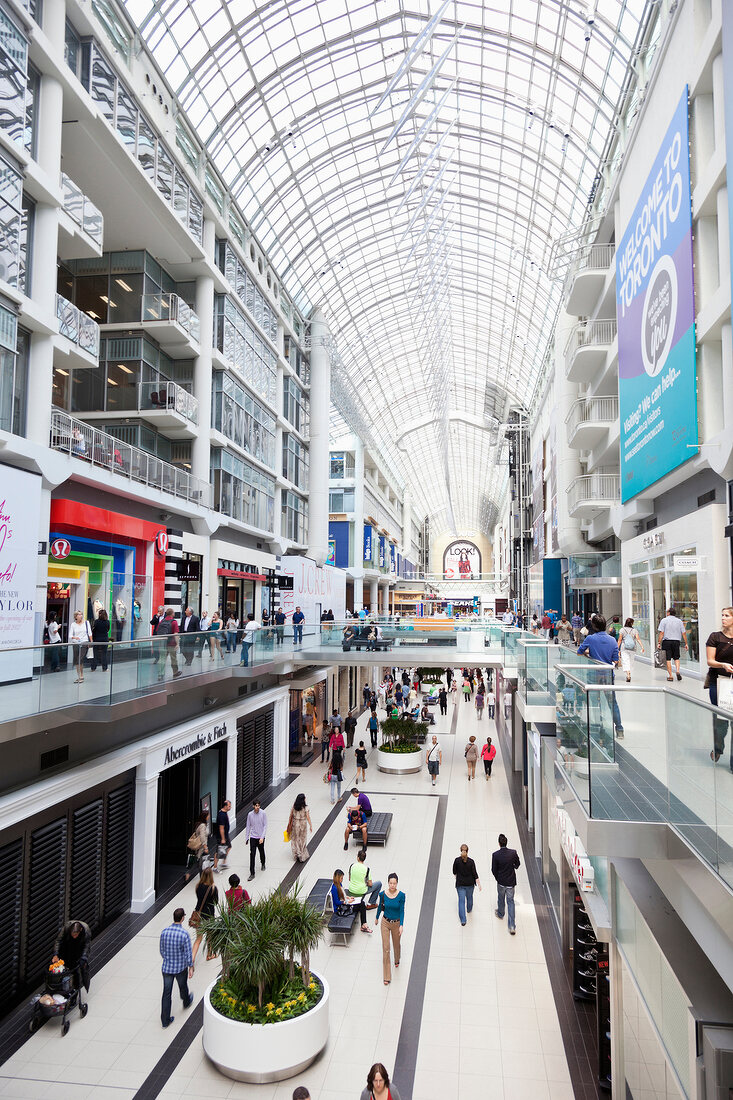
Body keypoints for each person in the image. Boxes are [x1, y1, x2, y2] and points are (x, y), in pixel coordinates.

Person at [577, 614, 624, 739]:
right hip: (608, 675)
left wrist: (589, 654)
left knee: (594, 703)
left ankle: (597, 728)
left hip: (594, 674)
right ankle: (619, 729)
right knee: (612, 703)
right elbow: (615, 659)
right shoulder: (612, 640)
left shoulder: (590, 639)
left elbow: (579, 652)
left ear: (594, 626)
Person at [706, 607, 733, 767]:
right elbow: (710, 660)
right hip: (719, 683)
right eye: (722, 615)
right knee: (721, 721)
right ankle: (718, 747)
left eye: (727, 615)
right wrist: (722, 664)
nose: (723, 618)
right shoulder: (715, 637)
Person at [159, 907, 194, 1027]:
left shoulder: (164, 932)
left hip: (167, 968)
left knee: (166, 993)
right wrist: (190, 966)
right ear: (183, 918)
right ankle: (186, 1001)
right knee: (183, 986)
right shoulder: (184, 934)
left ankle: (165, 1020)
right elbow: (188, 953)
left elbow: (162, 951)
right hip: (180, 968)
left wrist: (168, 959)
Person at [375, 874, 405, 985]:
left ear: (397, 883)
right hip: (385, 922)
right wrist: (377, 917)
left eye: (394, 883)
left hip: (396, 923)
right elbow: (380, 907)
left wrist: (401, 925)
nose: (392, 885)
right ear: (388, 883)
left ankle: (397, 959)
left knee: (396, 945)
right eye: (390, 883)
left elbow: (402, 910)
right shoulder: (382, 894)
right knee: (386, 948)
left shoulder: (401, 895)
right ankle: (387, 976)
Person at [492, 833, 520, 935]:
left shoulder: (496, 855)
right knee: (511, 902)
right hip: (510, 882)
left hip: (501, 882)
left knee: (501, 898)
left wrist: (497, 878)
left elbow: (493, 869)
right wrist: (514, 866)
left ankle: (500, 913)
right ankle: (512, 926)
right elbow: (517, 864)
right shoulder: (513, 853)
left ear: (499, 843)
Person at [52, 920, 91, 993]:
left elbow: (87, 945)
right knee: (64, 966)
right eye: (73, 935)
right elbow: (58, 940)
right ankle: (63, 987)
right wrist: (56, 954)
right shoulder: (66, 927)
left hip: (79, 948)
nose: (74, 936)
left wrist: (84, 957)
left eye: (76, 935)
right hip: (67, 946)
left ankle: (76, 989)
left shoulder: (86, 930)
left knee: (78, 969)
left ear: (80, 930)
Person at [330, 869, 371, 934]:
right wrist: (347, 902)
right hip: (341, 909)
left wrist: (348, 898)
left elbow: (342, 895)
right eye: (341, 878)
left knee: (362, 903)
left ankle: (364, 924)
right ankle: (364, 925)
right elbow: (337, 902)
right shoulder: (334, 888)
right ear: (337, 878)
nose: (342, 880)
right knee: (361, 905)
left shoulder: (339, 884)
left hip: (344, 904)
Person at [191, 866, 218, 963]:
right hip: (209, 915)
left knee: (198, 939)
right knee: (209, 937)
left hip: (199, 915)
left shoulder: (198, 886)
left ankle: (192, 958)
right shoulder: (213, 888)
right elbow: (216, 902)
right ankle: (209, 954)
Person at [452, 844, 481, 926]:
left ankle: (463, 920)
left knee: (461, 901)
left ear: (460, 850)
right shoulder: (471, 861)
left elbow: (454, 871)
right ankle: (469, 909)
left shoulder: (457, 860)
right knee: (469, 897)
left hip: (460, 884)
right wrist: (479, 884)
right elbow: (475, 873)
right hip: (470, 884)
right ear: (468, 851)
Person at [657, 607, 688, 682]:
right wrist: (686, 643)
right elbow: (683, 633)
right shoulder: (679, 621)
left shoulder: (664, 620)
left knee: (668, 659)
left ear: (668, 613)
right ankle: (677, 671)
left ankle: (670, 676)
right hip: (676, 641)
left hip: (667, 642)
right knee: (676, 658)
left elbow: (661, 633)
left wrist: (658, 642)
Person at [287, 792, 312, 862]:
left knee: (295, 839)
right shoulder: (306, 808)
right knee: (302, 839)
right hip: (302, 825)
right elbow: (308, 817)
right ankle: (301, 855)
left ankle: (295, 855)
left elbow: (290, 816)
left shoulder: (294, 807)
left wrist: (289, 824)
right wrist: (310, 825)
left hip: (295, 824)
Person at [185, 810, 210, 882]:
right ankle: (202, 879)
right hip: (201, 847)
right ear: (205, 816)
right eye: (208, 815)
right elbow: (202, 837)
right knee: (201, 863)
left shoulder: (199, 824)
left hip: (200, 847)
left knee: (198, 861)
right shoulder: (202, 826)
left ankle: (188, 874)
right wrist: (205, 847)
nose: (209, 817)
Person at [245, 798, 267, 881]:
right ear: (253, 806)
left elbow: (265, 826)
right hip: (253, 837)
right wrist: (247, 838)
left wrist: (262, 837)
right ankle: (252, 873)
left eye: (258, 806)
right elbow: (248, 826)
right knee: (252, 854)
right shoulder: (250, 814)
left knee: (261, 851)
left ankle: (263, 863)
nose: (257, 807)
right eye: (256, 806)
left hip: (260, 837)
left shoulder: (263, 813)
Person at [619, 617, 644, 682]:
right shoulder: (634, 630)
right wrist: (642, 647)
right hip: (633, 648)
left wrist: (617, 648)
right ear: (631, 623)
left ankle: (628, 674)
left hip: (624, 648)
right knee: (631, 661)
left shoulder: (622, 630)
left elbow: (620, 640)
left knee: (625, 660)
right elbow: (638, 639)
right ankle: (629, 671)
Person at [69, 609, 92, 684]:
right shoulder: (73, 624)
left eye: (81, 614)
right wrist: (75, 637)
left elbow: (89, 633)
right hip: (76, 643)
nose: (81, 616)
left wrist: (91, 642)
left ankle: (81, 675)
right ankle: (79, 676)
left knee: (80, 658)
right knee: (77, 660)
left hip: (84, 642)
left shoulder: (86, 623)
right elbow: (70, 635)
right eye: (79, 614)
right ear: (75, 616)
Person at [213, 799, 232, 872]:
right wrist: (223, 838)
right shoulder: (221, 815)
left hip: (225, 835)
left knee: (229, 847)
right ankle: (215, 867)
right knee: (218, 851)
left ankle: (223, 862)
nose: (230, 808)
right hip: (221, 837)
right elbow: (221, 828)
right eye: (229, 806)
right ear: (225, 806)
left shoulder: (224, 812)